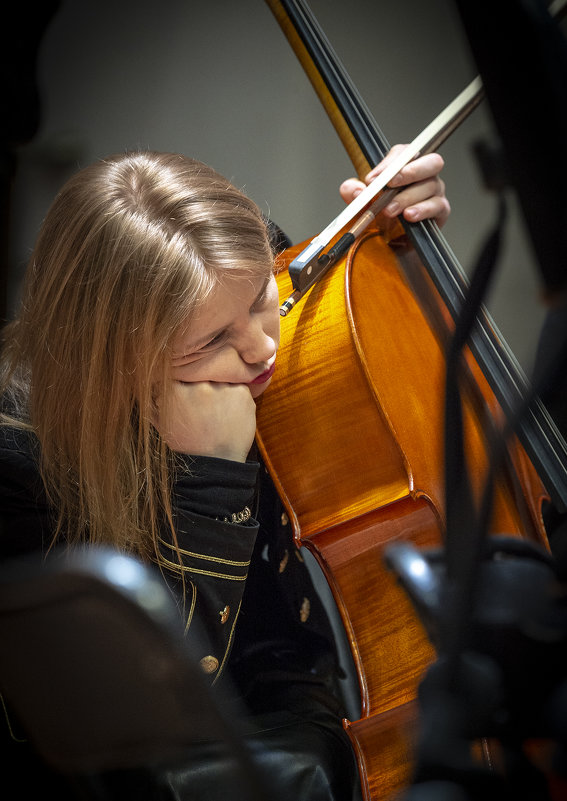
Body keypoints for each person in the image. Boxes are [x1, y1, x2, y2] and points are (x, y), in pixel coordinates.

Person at [0, 147, 449, 800]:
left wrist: (399, 243)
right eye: (212, 340)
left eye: (261, 296)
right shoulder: (16, 466)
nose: (263, 346)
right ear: (118, 357)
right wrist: (207, 479)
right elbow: (138, 723)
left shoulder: (236, 293)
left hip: (311, 708)